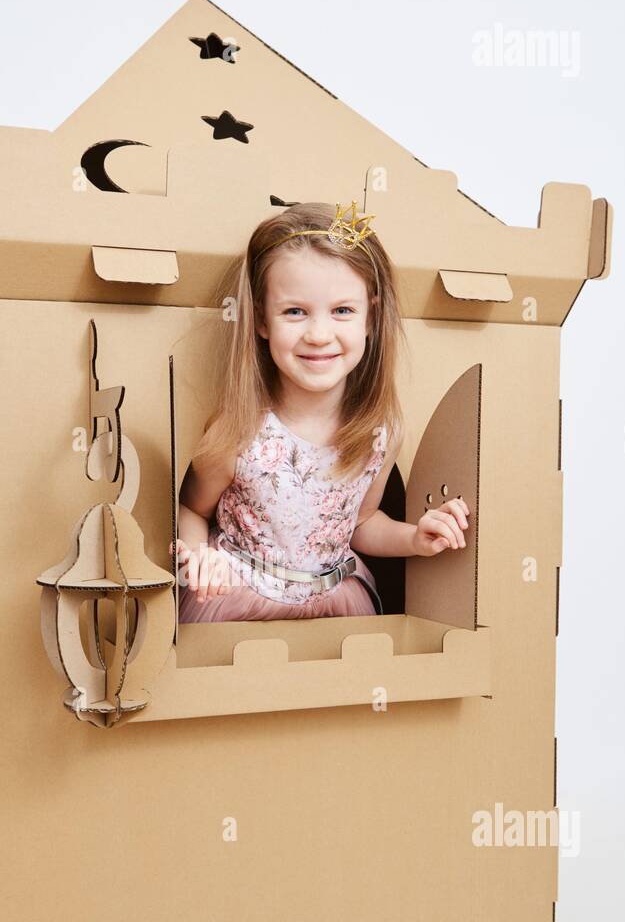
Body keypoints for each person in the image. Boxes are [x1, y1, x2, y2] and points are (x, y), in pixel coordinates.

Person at [174, 200, 469, 623]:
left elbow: (361, 523)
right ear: (262, 320)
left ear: (371, 317)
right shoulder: (239, 432)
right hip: (239, 599)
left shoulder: (380, 432)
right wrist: (199, 557)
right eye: (295, 312)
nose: (318, 334)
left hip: (337, 601)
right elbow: (191, 509)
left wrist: (414, 538)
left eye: (342, 311)